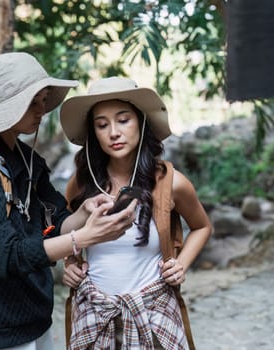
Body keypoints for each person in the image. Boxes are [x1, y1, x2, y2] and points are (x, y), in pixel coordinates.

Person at [0, 53, 136, 350]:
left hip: (37, 319)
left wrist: (85, 213)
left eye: (43, 100)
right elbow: (2, 256)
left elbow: (57, 222)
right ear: (9, 106)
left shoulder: (28, 158)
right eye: (33, 102)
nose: (42, 110)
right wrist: (83, 238)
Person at [60, 77, 213, 349]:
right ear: (93, 133)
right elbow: (65, 231)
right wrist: (70, 264)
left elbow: (202, 227)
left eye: (123, 120)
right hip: (96, 315)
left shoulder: (170, 182)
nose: (113, 133)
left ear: (141, 122)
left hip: (153, 315)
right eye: (102, 125)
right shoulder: (83, 183)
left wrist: (181, 264)